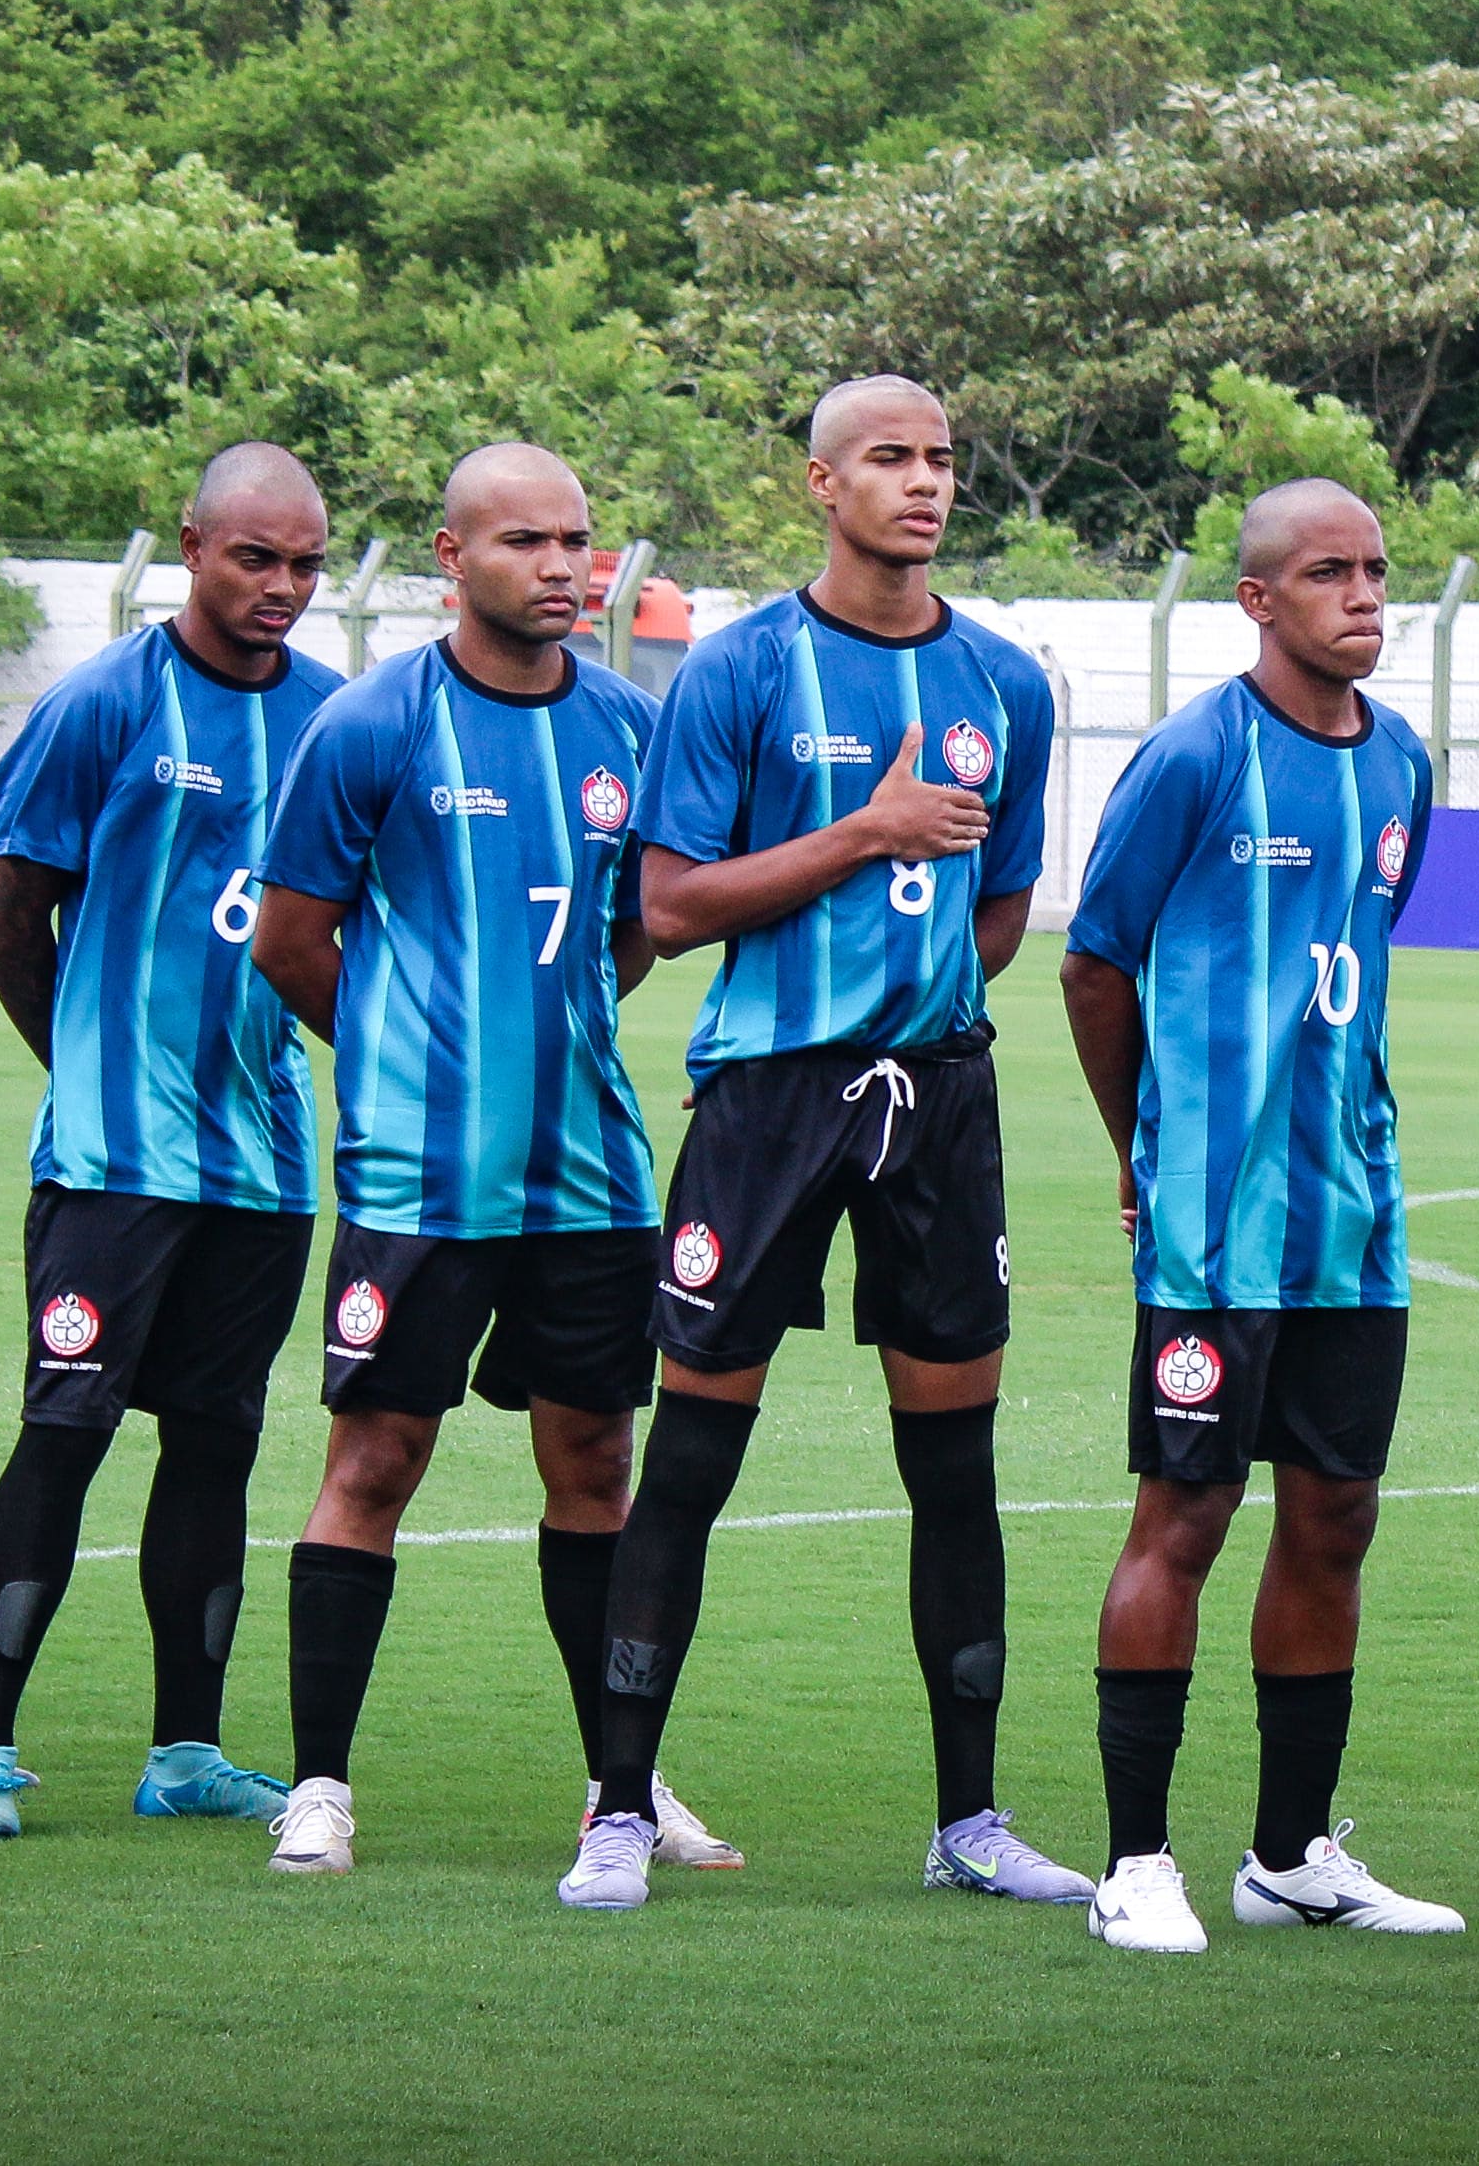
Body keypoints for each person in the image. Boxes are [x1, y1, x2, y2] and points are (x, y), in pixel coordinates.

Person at [581, 376, 1084, 1909]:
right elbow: (670, 908)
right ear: (820, 483)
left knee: (954, 1469)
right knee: (688, 1459)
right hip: (767, 1103)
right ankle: (617, 1810)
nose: (922, 482)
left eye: (940, 459)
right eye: (888, 458)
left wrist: (897, 1004)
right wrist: (864, 834)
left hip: (938, 1100)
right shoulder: (737, 670)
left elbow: (998, 910)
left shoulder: (1005, 682)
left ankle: (969, 1824)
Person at [247, 442, 683, 1883]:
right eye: (524, 541)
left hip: (591, 1173)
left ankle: (621, 1786)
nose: (561, 567)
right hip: (417, 1178)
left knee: (595, 1461)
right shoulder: (371, 723)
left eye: (577, 540)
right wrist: (404, 1055)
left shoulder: (629, 726)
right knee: (376, 1456)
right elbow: (289, 939)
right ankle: (319, 1785)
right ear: (451, 557)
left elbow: (637, 929)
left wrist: (548, 1037)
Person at [1058, 479, 1459, 1957]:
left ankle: (1291, 1856)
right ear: (1256, 598)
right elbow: (1094, 963)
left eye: (1376, 571)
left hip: (1354, 1218)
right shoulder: (1192, 754)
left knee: (1335, 1516)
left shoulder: (1403, 761)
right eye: (1327, 572)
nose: (1363, 597)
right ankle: (1133, 1861)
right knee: (1187, 1512)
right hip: (1214, 1220)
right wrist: (1143, 1145)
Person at [0, 443, 346, 1839]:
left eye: (305, 563)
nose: (283, 585)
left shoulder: (334, 719)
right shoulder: (103, 703)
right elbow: (9, 918)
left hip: (263, 1158)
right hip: (113, 1163)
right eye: (255, 557)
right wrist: (88, 1068)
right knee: (64, 1431)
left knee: (217, 1444)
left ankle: (186, 1753)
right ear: (191, 546)